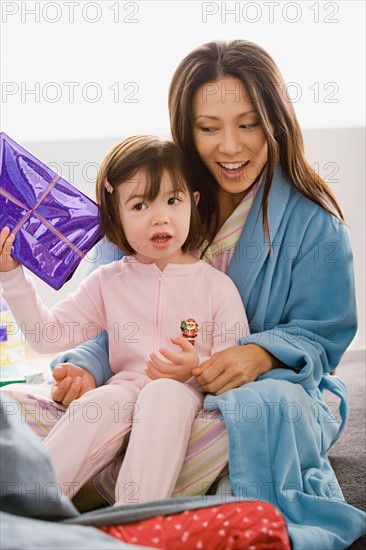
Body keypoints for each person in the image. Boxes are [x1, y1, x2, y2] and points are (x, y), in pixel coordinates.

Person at [1, 40, 365, 548]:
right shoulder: (148, 199)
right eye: (209, 128)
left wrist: (255, 354)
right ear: (186, 129)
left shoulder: (312, 227)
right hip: (122, 394)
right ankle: (56, 497)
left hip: (232, 398)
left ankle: (119, 505)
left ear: (274, 122)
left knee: (255, 417)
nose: (231, 146)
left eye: (249, 123)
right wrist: (84, 364)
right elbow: (99, 319)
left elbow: (321, 337)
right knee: (16, 411)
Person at [0, 135, 248, 506]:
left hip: (187, 400)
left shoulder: (217, 287)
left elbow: (234, 367)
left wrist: (195, 366)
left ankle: (135, 516)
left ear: (193, 204)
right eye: (140, 205)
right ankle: (29, 509)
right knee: (96, 404)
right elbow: (45, 335)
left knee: (166, 395)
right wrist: (11, 276)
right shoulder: (109, 281)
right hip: (124, 391)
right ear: (115, 215)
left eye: (172, 200)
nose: (160, 216)